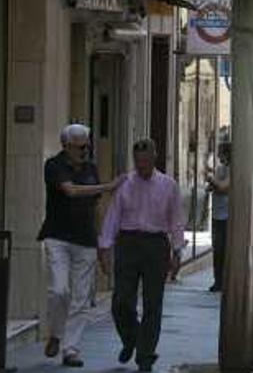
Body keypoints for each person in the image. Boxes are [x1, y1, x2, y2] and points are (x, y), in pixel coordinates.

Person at [38, 124, 123, 367]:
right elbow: (71, 191)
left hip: (85, 240)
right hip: (57, 237)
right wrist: (108, 186)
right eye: (79, 146)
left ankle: (70, 349)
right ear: (65, 146)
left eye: (87, 145)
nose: (85, 150)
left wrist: (102, 243)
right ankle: (55, 333)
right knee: (59, 290)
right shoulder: (54, 166)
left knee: (81, 297)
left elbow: (95, 208)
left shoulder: (91, 169)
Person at [98, 139, 185, 372]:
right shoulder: (125, 183)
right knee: (121, 302)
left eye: (146, 161)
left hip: (156, 245)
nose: (142, 166)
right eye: (138, 162)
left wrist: (177, 252)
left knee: (152, 303)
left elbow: (176, 220)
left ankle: (145, 356)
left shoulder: (169, 185)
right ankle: (131, 338)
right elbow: (113, 216)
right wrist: (105, 248)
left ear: (154, 158)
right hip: (128, 243)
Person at [206, 142, 231, 292]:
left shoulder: (232, 169)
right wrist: (212, 182)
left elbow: (223, 187)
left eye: (221, 152)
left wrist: (211, 179)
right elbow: (214, 187)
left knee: (226, 250)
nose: (218, 155)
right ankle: (218, 281)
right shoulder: (220, 169)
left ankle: (226, 281)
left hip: (228, 215)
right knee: (217, 250)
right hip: (217, 214)